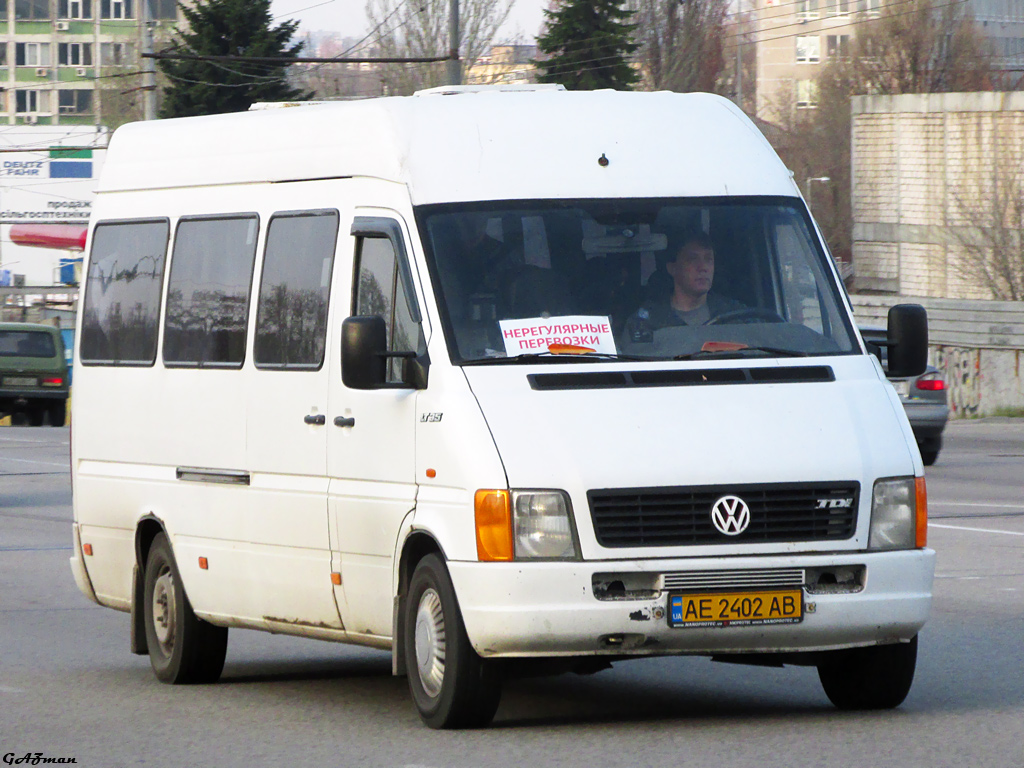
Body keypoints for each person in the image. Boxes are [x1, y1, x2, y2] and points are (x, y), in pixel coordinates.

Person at [626, 232, 743, 342]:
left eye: (708, 259)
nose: (703, 267)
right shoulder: (646, 322)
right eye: (692, 259)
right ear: (673, 268)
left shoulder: (735, 314)